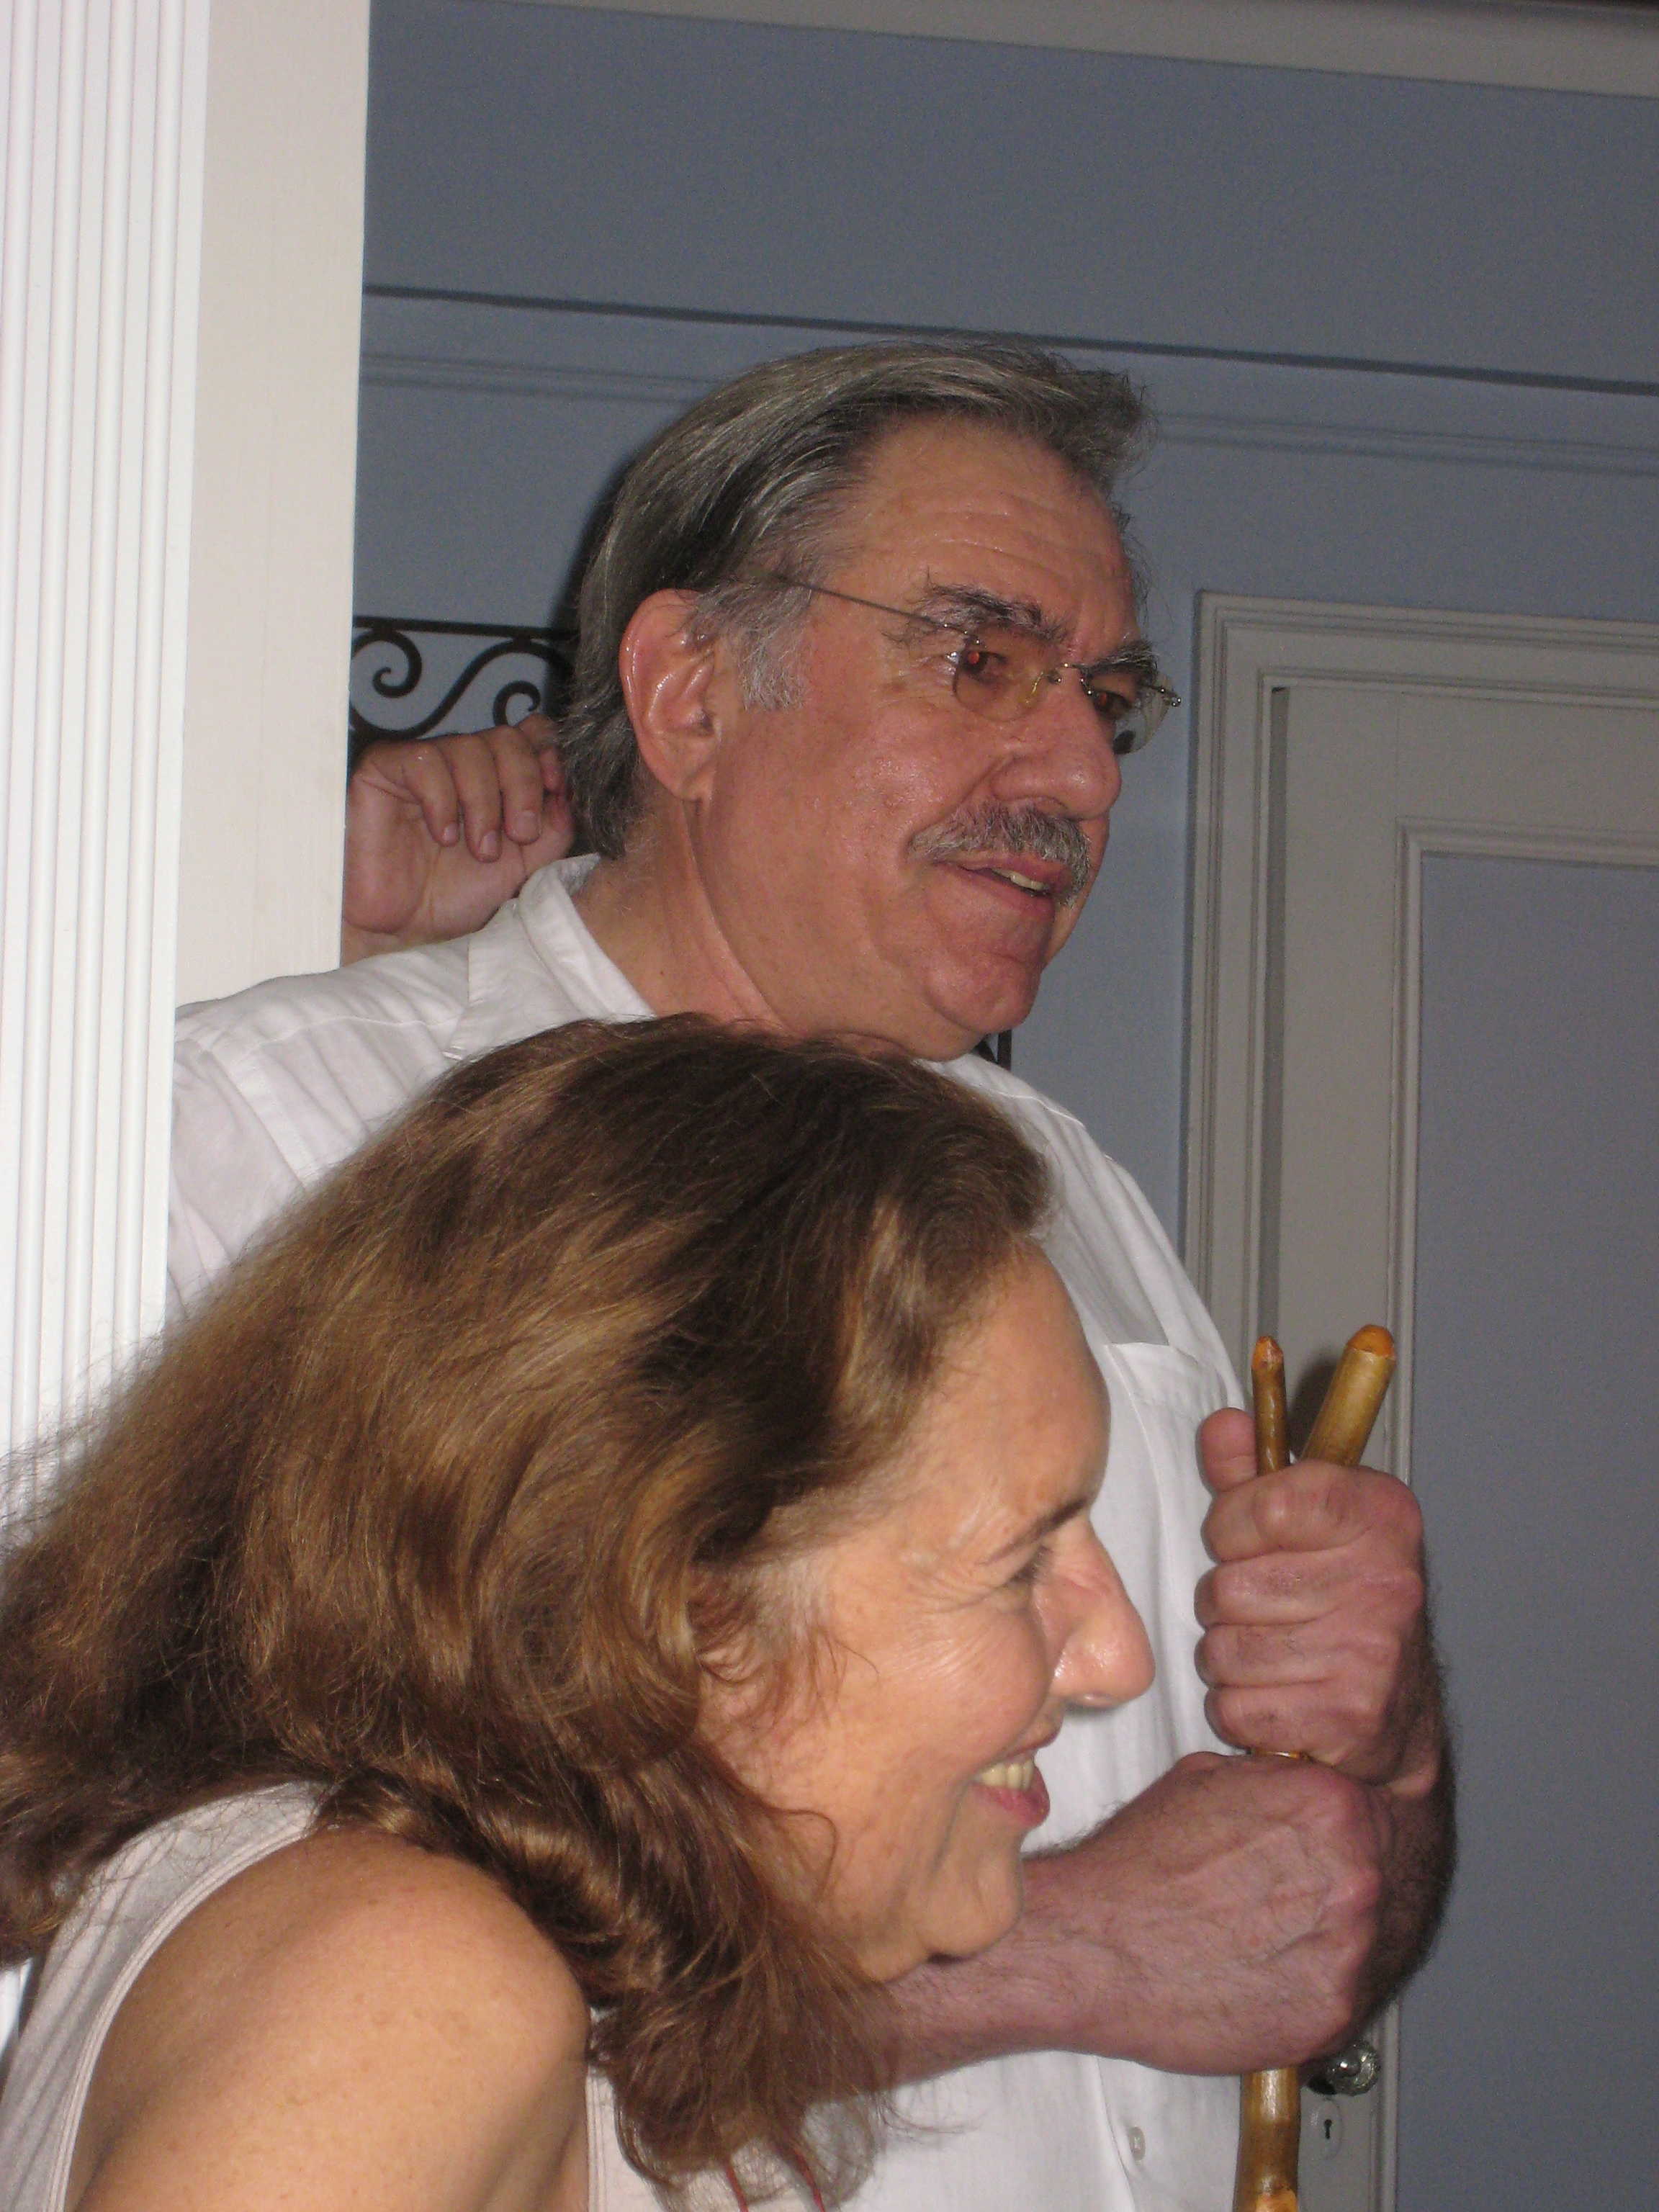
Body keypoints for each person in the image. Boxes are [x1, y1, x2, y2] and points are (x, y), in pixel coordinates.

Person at [166, 342, 1451, 2211]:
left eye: (1108, 699)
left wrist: (1387, 1741)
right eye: (979, 659)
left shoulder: (1070, 1194)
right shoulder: (277, 1137)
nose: (1082, 772)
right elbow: (175, 1934)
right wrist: (1057, 1953)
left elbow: (1299, 1929)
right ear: (690, 695)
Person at [0, 1020, 1156, 2212]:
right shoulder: (398, 1987)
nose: (1119, 1657)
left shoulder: (469, 1961)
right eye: (1021, 1562)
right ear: (676, 1595)